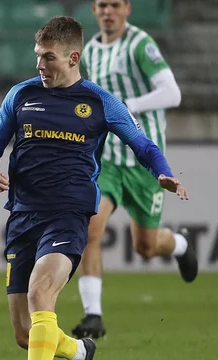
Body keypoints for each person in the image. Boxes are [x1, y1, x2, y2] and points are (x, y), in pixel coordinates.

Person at [0, 16, 188, 360]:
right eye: (38, 56)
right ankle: (79, 352)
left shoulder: (98, 101)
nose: (40, 64)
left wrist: (161, 171)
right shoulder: (21, 95)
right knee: (25, 334)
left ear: (73, 57)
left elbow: (142, 143)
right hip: (22, 218)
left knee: (42, 291)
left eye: (48, 57)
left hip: (69, 217)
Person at [74, 0, 197, 339]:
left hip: (143, 160)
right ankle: (93, 316)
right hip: (109, 159)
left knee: (145, 247)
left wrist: (129, 107)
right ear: (95, 10)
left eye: (115, 4)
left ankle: (179, 245)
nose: (108, 11)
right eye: (102, 5)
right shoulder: (91, 51)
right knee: (89, 229)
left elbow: (172, 93)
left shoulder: (141, 44)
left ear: (127, 8)